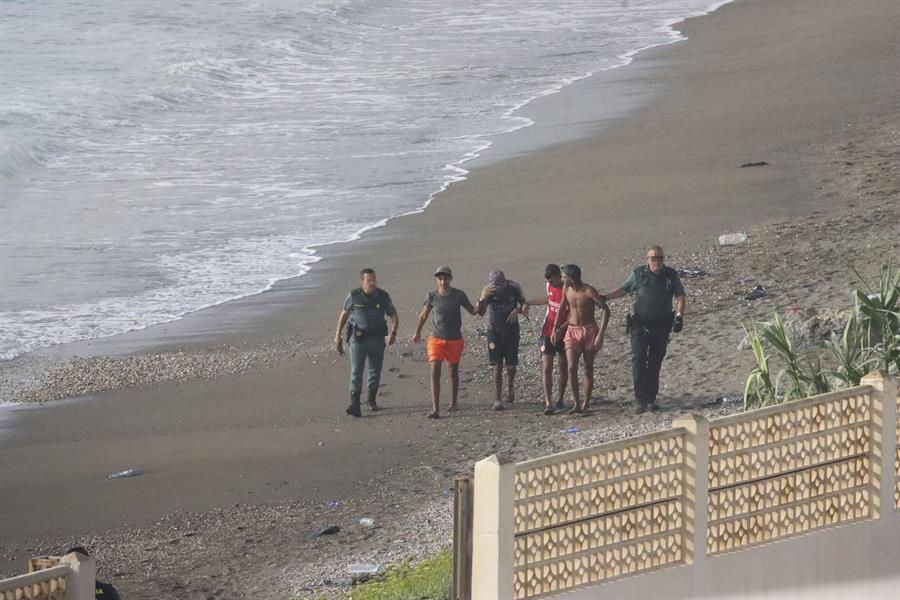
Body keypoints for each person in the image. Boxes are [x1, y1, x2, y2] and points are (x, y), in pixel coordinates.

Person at [604, 246, 686, 414]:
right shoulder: (638, 274)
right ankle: (640, 400)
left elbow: (680, 297)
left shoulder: (671, 275)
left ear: (664, 259)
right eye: (653, 258)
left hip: (662, 325)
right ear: (647, 259)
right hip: (640, 323)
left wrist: (679, 316)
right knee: (639, 359)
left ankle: (651, 399)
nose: (656, 261)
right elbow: (623, 289)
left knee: (655, 361)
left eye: (660, 258)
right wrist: (605, 297)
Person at [412, 266, 478, 419]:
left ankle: (453, 403)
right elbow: (423, 316)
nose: (443, 281)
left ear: (450, 278)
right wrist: (417, 332)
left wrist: (480, 306)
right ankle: (435, 408)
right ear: (437, 280)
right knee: (435, 371)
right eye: (440, 279)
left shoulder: (459, 295)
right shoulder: (432, 296)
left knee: (452, 371)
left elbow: (472, 311)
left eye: (446, 278)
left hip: (454, 339)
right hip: (436, 339)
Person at [333, 268, 399, 417]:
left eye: (374, 279)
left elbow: (393, 315)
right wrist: (338, 334)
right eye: (369, 280)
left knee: (375, 370)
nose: (372, 282)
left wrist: (393, 333)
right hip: (358, 339)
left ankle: (371, 400)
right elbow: (344, 314)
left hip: (377, 339)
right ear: (362, 281)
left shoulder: (383, 296)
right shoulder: (354, 296)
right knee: (356, 370)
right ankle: (355, 404)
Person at [551, 264, 610, 414]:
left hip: (589, 330)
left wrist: (601, 334)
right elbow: (561, 309)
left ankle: (586, 402)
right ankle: (576, 403)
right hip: (572, 330)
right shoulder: (566, 290)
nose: (562, 279)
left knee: (588, 368)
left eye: (564, 277)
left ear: (571, 278)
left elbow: (605, 310)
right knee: (571, 367)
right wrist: (556, 328)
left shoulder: (589, 290)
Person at [475, 270, 526, 411]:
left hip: (511, 330)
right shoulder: (488, 290)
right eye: (495, 286)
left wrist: (517, 310)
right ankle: (498, 399)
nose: (498, 289)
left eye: (500, 286)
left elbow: (524, 304)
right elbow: (481, 312)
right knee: (496, 365)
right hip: (494, 330)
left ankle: (510, 386)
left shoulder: (514, 288)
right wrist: (482, 300)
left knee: (511, 366)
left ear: (505, 281)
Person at [523, 264, 570, 415]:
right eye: (548, 281)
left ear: (559, 276)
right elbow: (548, 300)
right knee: (547, 367)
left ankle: (561, 398)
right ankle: (549, 402)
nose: (551, 283)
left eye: (553, 280)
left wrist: (561, 328)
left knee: (563, 366)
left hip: (564, 333)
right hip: (547, 332)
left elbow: (573, 314)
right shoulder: (549, 286)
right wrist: (528, 302)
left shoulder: (568, 289)